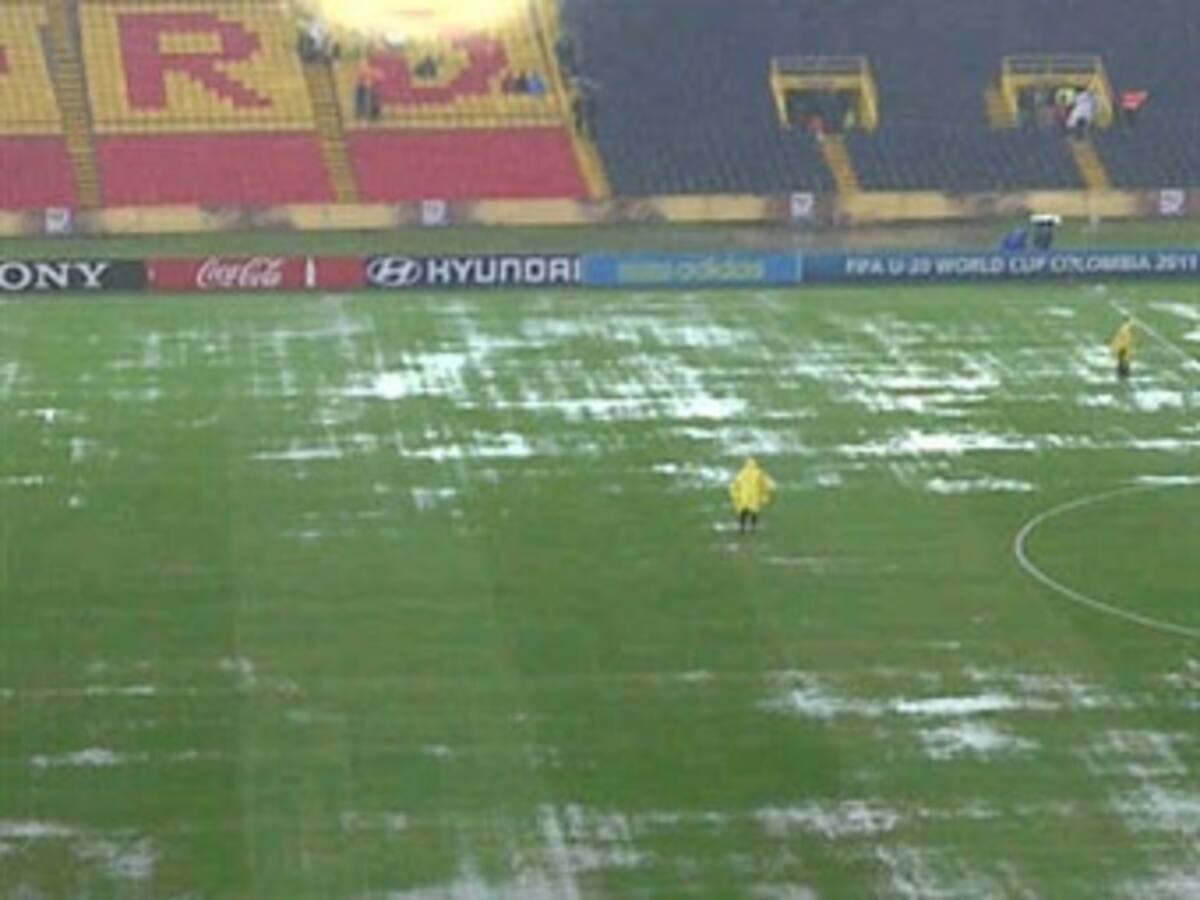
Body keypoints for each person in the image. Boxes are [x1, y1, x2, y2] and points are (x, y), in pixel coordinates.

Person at [729, 457, 775, 534]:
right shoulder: (759, 473)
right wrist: (766, 496)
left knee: (743, 513)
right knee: (753, 513)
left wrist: (735, 496)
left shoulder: (741, 473)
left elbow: (734, 485)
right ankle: (752, 528)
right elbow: (768, 484)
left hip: (744, 498)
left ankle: (742, 528)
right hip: (754, 497)